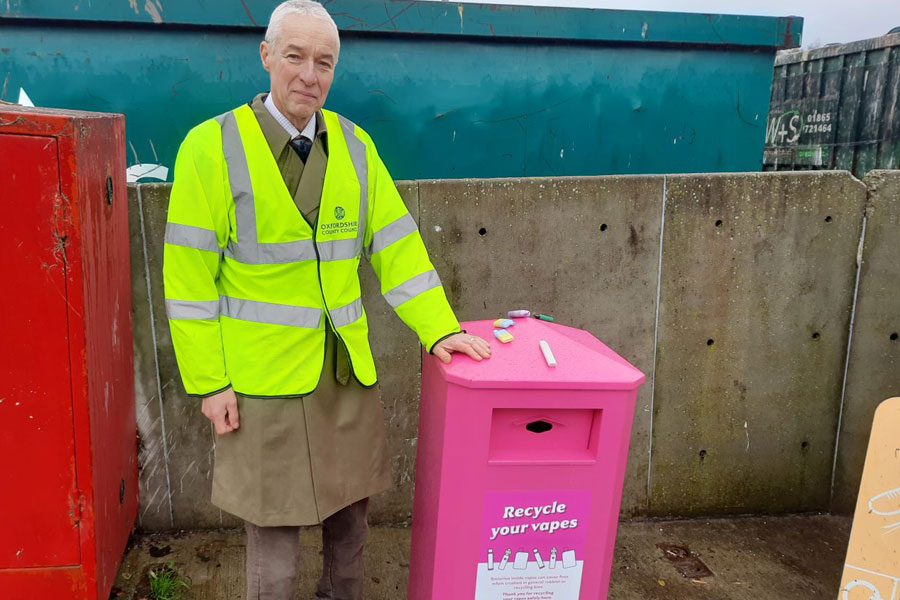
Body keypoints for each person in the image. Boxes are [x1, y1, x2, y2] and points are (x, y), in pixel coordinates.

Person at [161, 1, 491, 598]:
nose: (308, 75)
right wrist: (210, 383)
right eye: (294, 56)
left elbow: (399, 248)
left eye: (324, 62)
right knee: (275, 541)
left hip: (344, 373)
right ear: (266, 56)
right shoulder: (209, 148)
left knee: (351, 528)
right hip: (262, 381)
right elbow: (187, 283)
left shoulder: (356, 146)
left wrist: (438, 328)